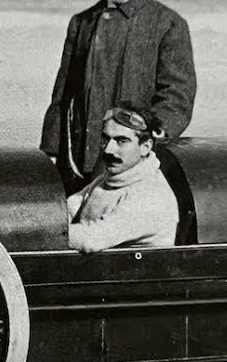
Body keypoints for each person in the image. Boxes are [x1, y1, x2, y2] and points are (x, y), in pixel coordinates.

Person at [40, 0, 197, 191]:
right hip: (78, 162)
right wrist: (50, 151)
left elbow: (177, 96)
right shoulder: (82, 23)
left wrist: (149, 136)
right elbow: (62, 96)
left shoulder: (167, 23)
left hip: (132, 167)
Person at [66, 103, 180, 254]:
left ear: (145, 147)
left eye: (122, 141)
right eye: (106, 139)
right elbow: (68, 209)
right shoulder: (111, 179)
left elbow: (91, 239)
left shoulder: (150, 196)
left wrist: (37, 236)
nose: (108, 150)